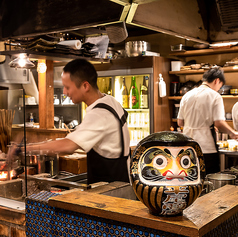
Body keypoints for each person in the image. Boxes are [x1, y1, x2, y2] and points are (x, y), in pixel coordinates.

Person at [7, 59, 131, 184]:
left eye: (67, 87)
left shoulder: (99, 114)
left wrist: (23, 149)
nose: (65, 92)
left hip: (110, 191)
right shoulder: (109, 101)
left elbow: (68, 146)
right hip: (121, 184)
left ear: (85, 86)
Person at [177, 67, 238, 175]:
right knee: (209, 180)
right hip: (206, 148)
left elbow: (180, 122)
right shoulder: (215, 96)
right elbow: (219, 123)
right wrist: (233, 133)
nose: (218, 89)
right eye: (220, 86)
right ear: (217, 80)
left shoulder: (187, 95)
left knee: (191, 178)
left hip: (186, 146)